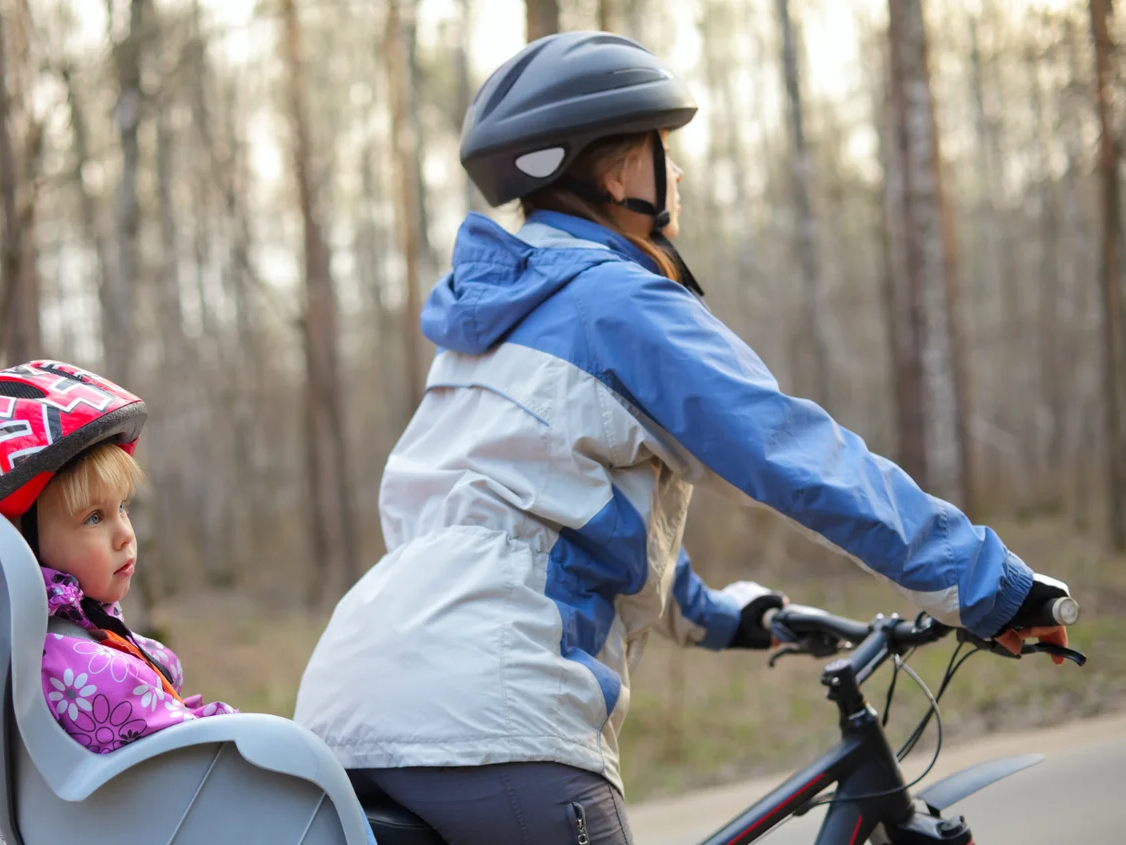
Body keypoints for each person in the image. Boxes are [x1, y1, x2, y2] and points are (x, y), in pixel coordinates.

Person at [293, 32, 1073, 844]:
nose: (678, 173)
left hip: (347, 713)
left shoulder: (482, 327)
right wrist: (989, 582)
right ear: (620, 170)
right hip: (491, 719)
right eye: (664, 148)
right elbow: (795, 453)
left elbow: (551, 523)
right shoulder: (617, 303)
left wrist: (732, 617)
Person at [0, 360, 236, 753]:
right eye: (94, 518)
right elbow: (210, 757)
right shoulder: (84, 673)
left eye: (122, 508)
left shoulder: (42, 644)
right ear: (14, 540)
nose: (125, 535)